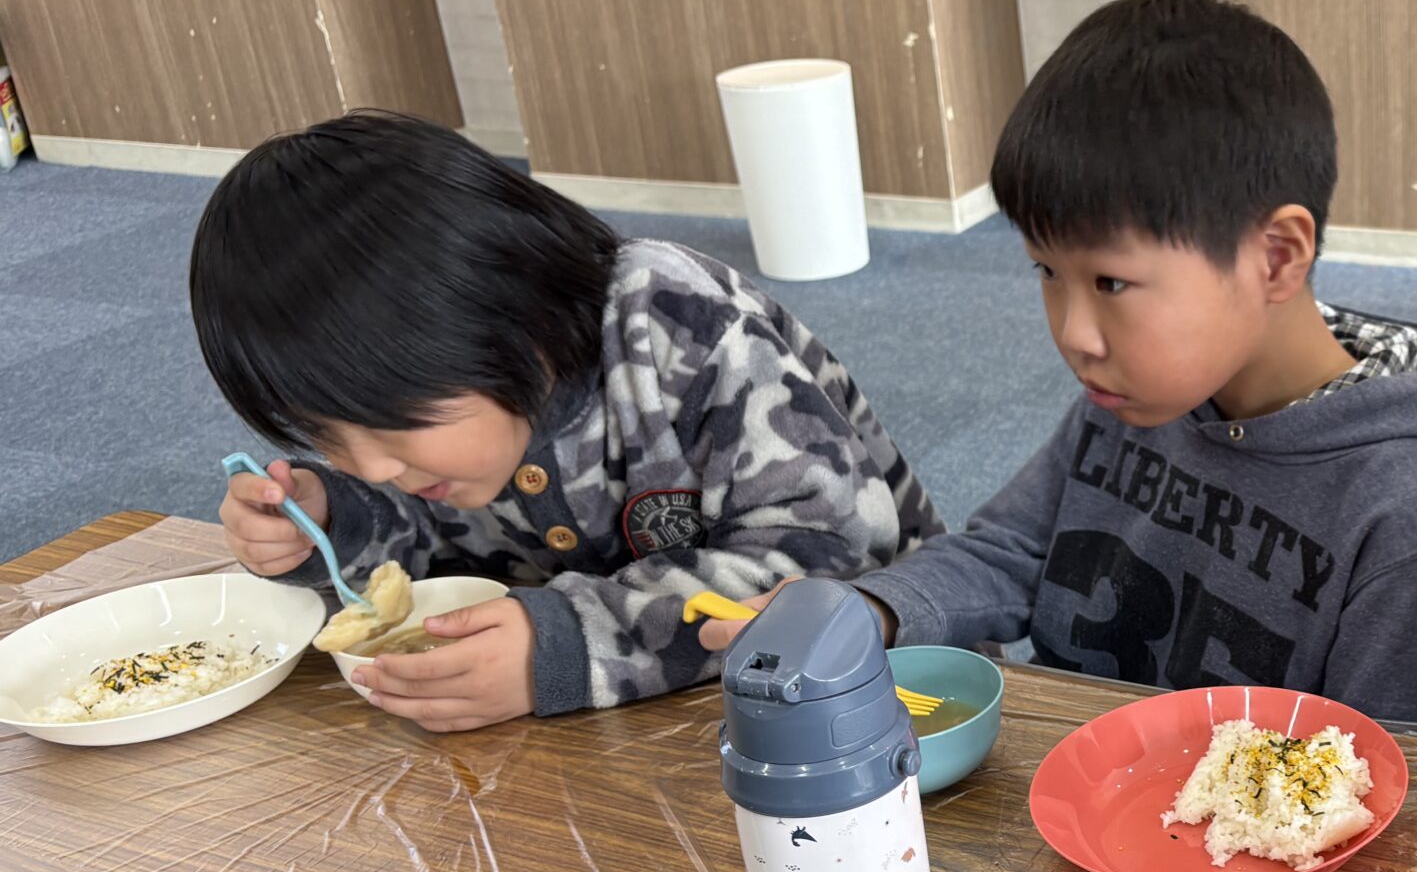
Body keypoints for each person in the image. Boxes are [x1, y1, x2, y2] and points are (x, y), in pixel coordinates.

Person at [711, 0, 1417, 732]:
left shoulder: (1410, 510)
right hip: (1089, 790)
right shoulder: (1135, 397)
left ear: (1276, 256)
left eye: (1112, 283)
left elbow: (1409, 779)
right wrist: (870, 610)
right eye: (1046, 271)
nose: (1075, 335)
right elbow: (1015, 549)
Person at [198, 111, 941, 732]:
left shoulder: (677, 323)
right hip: (631, 729)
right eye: (325, 434)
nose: (370, 464)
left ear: (506, 324)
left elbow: (831, 559)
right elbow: (438, 559)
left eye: (390, 422)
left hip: (880, 698)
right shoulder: (445, 445)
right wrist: (336, 525)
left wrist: (565, 646)